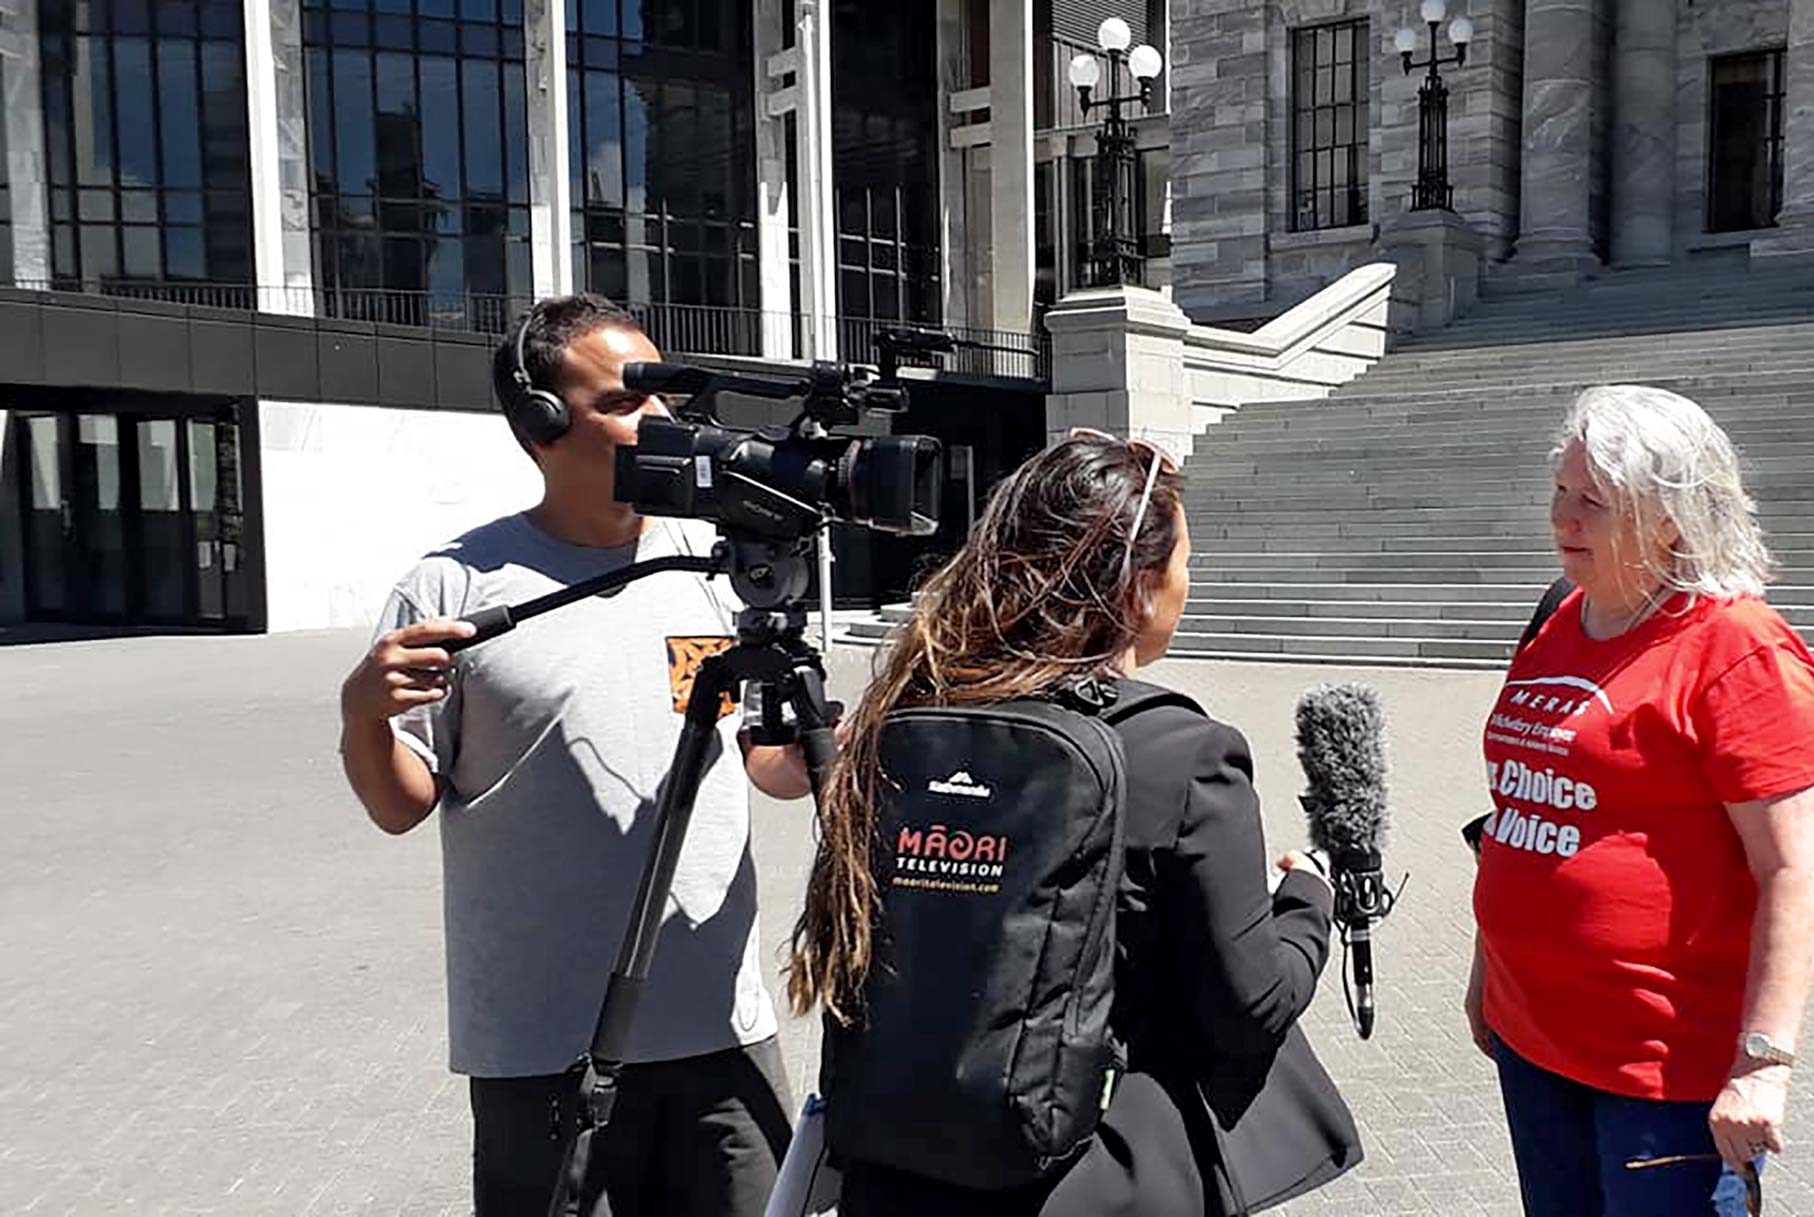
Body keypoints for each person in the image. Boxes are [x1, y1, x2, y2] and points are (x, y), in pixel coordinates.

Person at [785, 430, 1364, 1216]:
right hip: (1085, 1171)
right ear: (1137, 587)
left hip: (891, 1165)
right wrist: (1308, 902)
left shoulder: (913, 710)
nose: (1188, 583)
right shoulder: (1186, 752)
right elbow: (1250, 1009)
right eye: (1184, 562)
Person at [338, 294, 814, 1216]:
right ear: (542, 424)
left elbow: (768, 765)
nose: (662, 424)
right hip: (541, 1043)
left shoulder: (719, 569)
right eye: (627, 402)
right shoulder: (454, 585)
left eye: (667, 401)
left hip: (718, 1025)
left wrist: (842, 742)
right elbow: (402, 802)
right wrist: (361, 715)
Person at [1467, 384, 1814, 1217]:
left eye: (1593, 501)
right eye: (1560, 492)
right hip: (1534, 1041)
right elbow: (1521, 806)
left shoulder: (1738, 648)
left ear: (1669, 517)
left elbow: (1794, 866)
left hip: (1662, 1069)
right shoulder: (1561, 618)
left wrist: (1764, 1062)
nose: (1563, 517)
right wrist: (1488, 966)